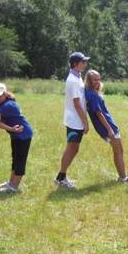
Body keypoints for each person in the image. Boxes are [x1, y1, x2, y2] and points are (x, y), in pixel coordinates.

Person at [84, 70, 128, 183]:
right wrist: (109, 129)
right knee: (118, 150)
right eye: (94, 79)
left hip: (108, 125)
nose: (97, 81)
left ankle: (122, 176)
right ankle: (123, 177)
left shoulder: (89, 92)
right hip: (107, 126)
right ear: (89, 80)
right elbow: (99, 113)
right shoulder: (92, 95)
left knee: (119, 150)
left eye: (99, 79)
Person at [0, 83, 33, 193]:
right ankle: (11, 183)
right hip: (16, 134)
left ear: (5, 94)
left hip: (23, 135)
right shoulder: (3, 103)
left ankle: (14, 186)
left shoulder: (8, 105)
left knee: (20, 160)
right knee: (15, 159)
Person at [55, 52, 90, 189]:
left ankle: (61, 177)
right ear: (75, 64)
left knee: (74, 148)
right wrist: (85, 122)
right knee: (71, 148)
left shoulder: (77, 77)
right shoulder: (73, 80)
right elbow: (76, 103)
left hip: (76, 120)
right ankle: (61, 178)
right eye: (83, 62)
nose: (85, 64)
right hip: (75, 121)